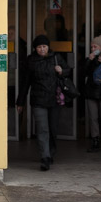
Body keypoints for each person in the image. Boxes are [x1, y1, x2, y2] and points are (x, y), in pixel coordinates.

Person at [16, 35, 64, 171]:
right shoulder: (31, 61)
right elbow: (25, 83)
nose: (42, 49)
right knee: (42, 129)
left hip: (54, 100)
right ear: (35, 48)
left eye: (44, 46)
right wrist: (21, 102)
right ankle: (45, 157)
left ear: (48, 47)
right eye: (39, 47)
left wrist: (62, 71)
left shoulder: (56, 58)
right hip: (38, 100)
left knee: (53, 129)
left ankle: (51, 152)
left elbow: (68, 72)